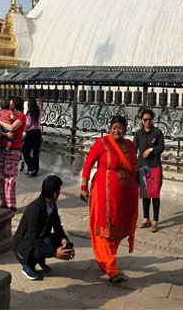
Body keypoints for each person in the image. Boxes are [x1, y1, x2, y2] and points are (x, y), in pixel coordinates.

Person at [80, 115, 139, 285]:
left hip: (124, 197)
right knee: (105, 229)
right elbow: (88, 164)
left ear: (125, 129)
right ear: (110, 128)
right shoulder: (103, 143)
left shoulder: (128, 145)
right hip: (103, 195)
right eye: (114, 127)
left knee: (118, 231)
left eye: (120, 127)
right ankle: (112, 270)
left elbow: (134, 165)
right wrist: (83, 187)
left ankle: (104, 260)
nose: (117, 130)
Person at [13, 175, 75, 281]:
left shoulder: (52, 205)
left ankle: (40, 259)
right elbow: (33, 239)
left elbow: (57, 226)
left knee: (58, 242)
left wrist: (64, 240)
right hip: (25, 245)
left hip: (41, 236)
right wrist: (55, 253)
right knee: (47, 243)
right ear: (56, 194)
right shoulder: (35, 210)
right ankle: (28, 265)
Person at [132, 108, 165, 233]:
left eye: (149, 119)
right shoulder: (138, 134)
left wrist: (151, 150)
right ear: (141, 121)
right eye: (145, 120)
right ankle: (146, 218)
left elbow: (161, 146)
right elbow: (133, 149)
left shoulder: (157, 132)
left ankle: (155, 220)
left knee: (155, 194)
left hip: (154, 166)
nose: (147, 122)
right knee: (145, 194)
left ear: (152, 120)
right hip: (142, 167)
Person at [0, 97, 26, 213]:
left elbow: (12, 128)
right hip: (3, 146)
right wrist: (3, 132)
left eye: (11, 103)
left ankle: (11, 204)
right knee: (1, 176)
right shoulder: (8, 116)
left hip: (14, 148)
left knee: (10, 178)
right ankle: (4, 201)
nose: (9, 104)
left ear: (15, 104)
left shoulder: (21, 117)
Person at [22, 98, 43, 177]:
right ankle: (35, 170)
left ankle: (31, 167)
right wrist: (41, 102)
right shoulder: (38, 112)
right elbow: (41, 109)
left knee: (25, 151)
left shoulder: (29, 114)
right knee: (35, 152)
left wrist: (24, 128)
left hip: (31, 133)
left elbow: (28, 125)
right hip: (38, 133)